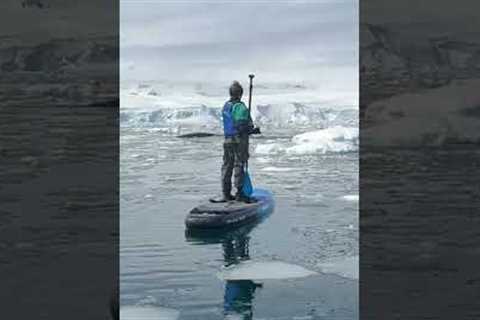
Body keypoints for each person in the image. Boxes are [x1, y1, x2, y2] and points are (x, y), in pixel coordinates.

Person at [221, 81, 256, 203]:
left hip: (227, 140)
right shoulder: (240, 107)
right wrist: (252, 130)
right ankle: (240, 193)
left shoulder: (226, 106)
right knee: (239, 164)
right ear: (240, 94)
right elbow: (241, 126)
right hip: (238, 141)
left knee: (227, 166)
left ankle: (226, 193)